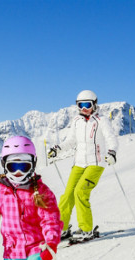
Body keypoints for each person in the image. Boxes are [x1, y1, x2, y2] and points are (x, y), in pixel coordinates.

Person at [48, 90, 119, 242]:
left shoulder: (101, 120)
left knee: (80, 192)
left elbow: (110, 138)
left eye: (87, 105)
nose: (84, 108)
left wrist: (112, 152)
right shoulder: (76, 121)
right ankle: (62, 229)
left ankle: (86, 230)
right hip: (78, 164)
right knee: (67, 195)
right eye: (81, 105)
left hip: (95, 164)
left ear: (94, 104)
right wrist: (58, 149)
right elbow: (71, 140)